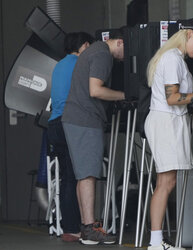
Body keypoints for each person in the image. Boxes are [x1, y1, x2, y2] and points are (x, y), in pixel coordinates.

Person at [61, 28, 126, 245]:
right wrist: (123, 95)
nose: (125, 58)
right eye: (126, 51)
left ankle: (87, 226)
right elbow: (96, 90)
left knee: (83, 174)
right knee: (89, 173)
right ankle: (90, 229)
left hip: (75, 118)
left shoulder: (94, 51)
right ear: (119, 43)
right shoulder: (102, 54)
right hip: (85, 119)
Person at [145, 26, 193, 250]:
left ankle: (157, 242)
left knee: (167, 182)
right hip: (166, 121)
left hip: (170, 122)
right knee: (165, 184)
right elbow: (173, 98)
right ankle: (156, 243)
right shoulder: (171, 59)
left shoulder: (176, 58)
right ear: (189, 34)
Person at [47, 31, 94, 242]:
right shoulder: (80, 64)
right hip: (70, 123)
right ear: (84, 46)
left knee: (67, 177)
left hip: (55, 124)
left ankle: (70, 228)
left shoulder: (60, 65)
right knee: (79, 176)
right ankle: (79, 227)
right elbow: (91, 91)